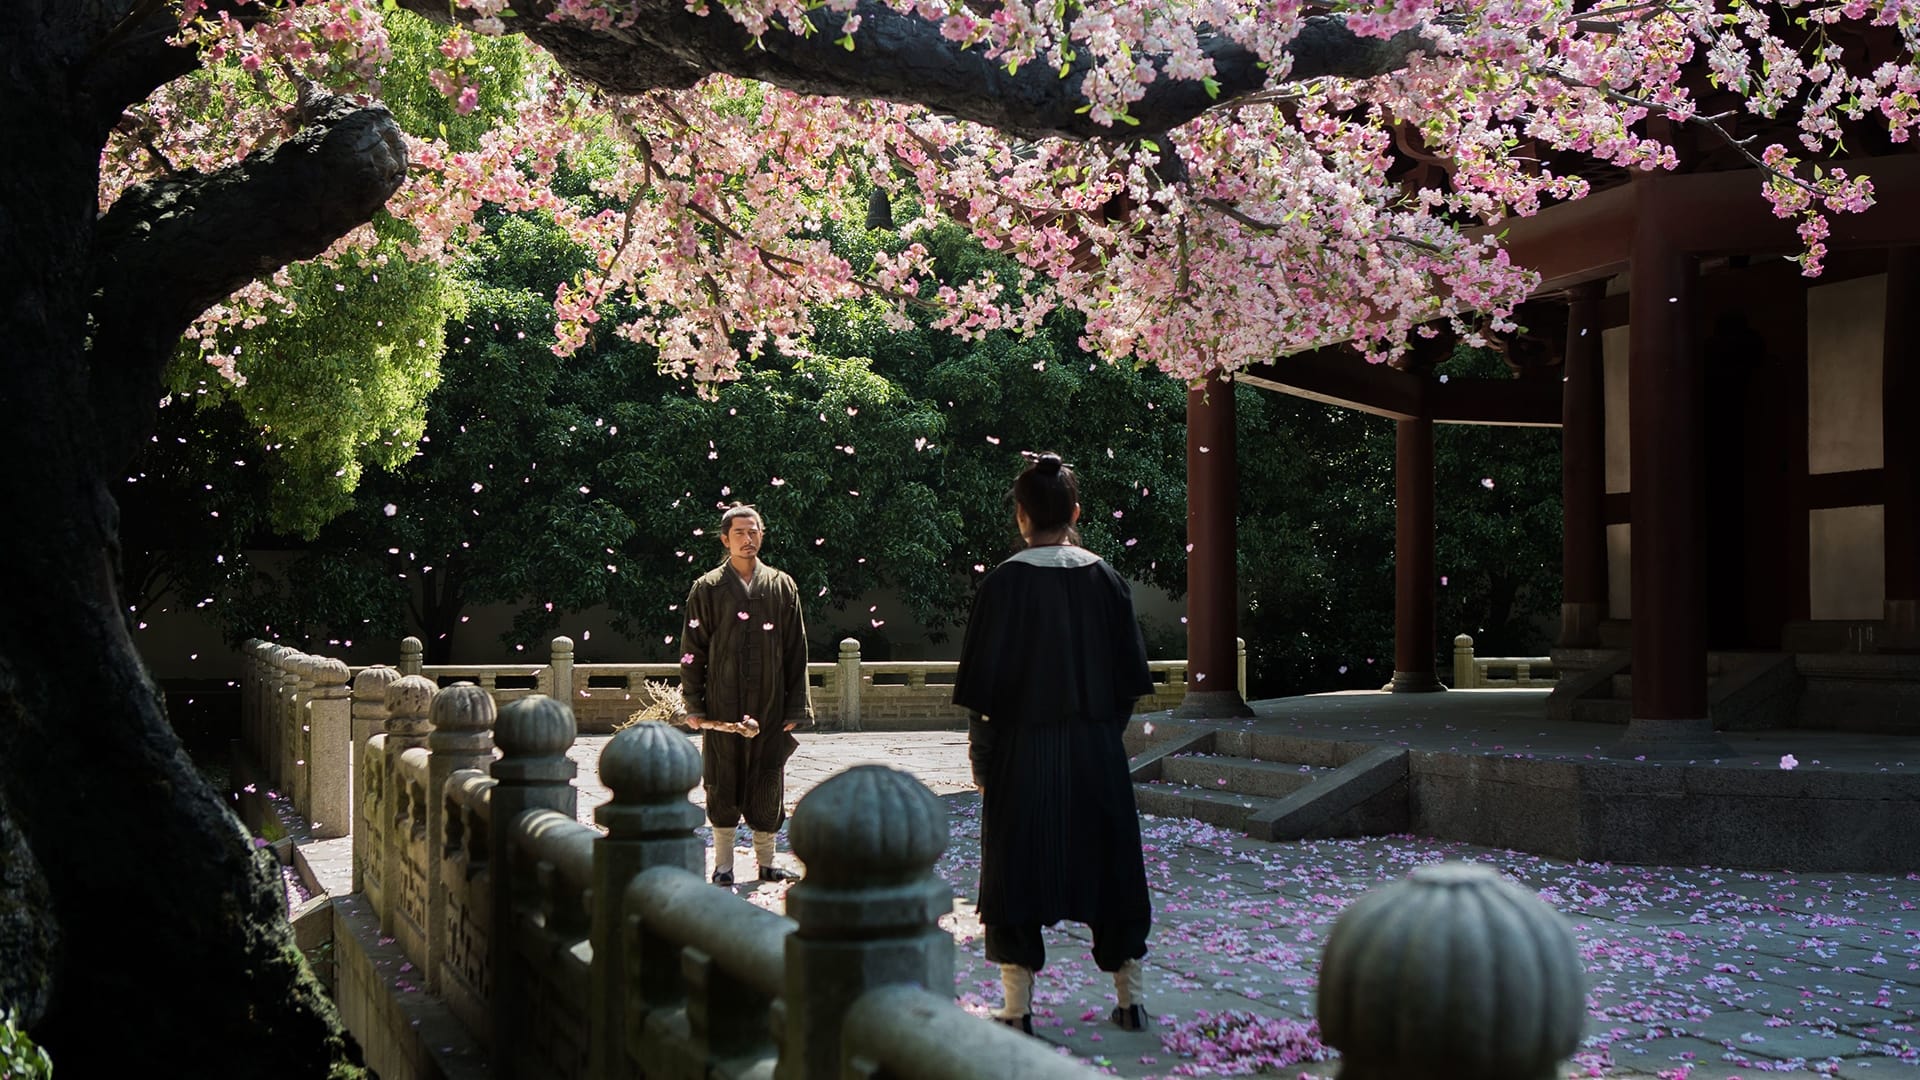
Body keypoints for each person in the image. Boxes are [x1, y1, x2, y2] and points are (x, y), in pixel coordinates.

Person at [953, 453, 1156, 1034]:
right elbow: (1127, 687)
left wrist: (983, 760)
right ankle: (1129, 1001)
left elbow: (984, 696)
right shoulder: (1108, 580)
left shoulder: (1002, 584)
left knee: (1016, 873)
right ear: (1074, 512)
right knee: (1112, 869)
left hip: (1022, 754)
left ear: (1021, 516)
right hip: (1096, 753)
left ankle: (1017, 1010)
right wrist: (1099, 737)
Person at [680, 503, 813, 885]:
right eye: (739, 532)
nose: (747, 538)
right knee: (722, 781)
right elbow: (692, 649)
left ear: (762, 535)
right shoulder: (707, 588)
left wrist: (795, 706)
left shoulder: (782, 586)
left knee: (767, 779)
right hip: (722, 706)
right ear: (724, 539)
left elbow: (795, 650)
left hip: (770, 705)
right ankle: (723, 866)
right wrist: (694, 704)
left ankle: (767, 863)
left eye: (753, 531)